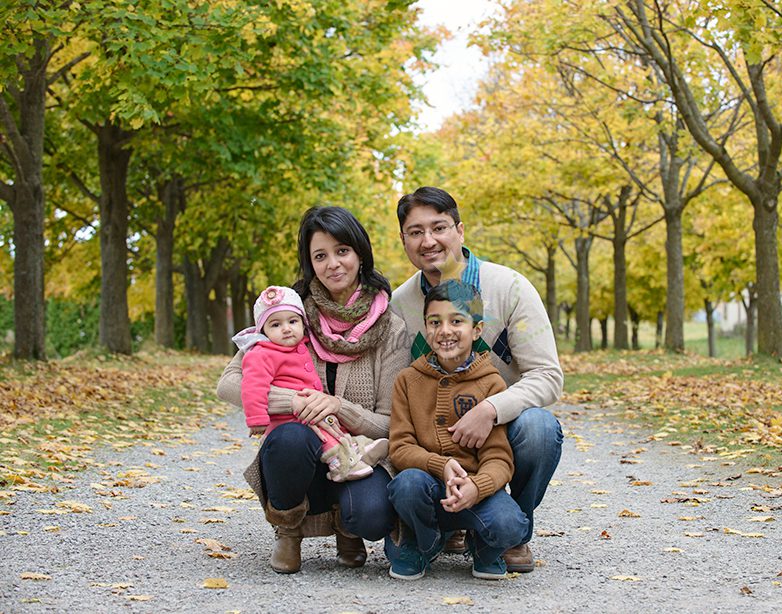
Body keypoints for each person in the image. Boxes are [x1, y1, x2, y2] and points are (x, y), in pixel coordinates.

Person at [216, 206, 410, 574]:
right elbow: (229, 383)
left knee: (371, 515)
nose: (333, 264)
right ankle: (288, 531)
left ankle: (346, 529)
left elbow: (389, 423)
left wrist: (337, 406)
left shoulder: (391, 328)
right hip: (303, 447)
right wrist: (295, 401)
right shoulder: (288, 315)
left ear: (360, 253)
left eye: (342, 251)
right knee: (289, 439)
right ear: (309, 263)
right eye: (320, 255)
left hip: (355, 454)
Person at [389, 186, 564, 573]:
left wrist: (491, 409)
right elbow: (401, 387)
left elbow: (548, 377)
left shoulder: (511, 288)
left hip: (502, 427)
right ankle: (444, 523)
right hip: (435, 443)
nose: (428, 240)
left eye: (439, 227)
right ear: (403, 240)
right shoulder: (401, 305)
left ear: (460, 230)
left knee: (540, 428)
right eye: (415, 232)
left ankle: (510, 532)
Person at [386, 280, 528, 580]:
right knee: (406, 485)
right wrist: (441, 464)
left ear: (476, 330)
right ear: (425, 328)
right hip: (428, 489)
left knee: (513, 524)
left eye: (457, 321)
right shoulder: (408, 381)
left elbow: (499, 459)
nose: (445, 331)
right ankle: (425, 541)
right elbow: (399, 447)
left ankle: (483, 548)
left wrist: (478, 487)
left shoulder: (491, 384)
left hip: (473, 492)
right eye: (435, 322)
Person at [235, 285, 389, 483]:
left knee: (331, 426)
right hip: (286, 421)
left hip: (310, 414)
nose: (286, 328)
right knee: (325, 438)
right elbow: (252, 386)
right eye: (275, 325)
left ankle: (358, 449)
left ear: (303, 322)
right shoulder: (261, 353)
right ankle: (340, 465)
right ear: (262, 330)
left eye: (293, 321)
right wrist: (257, 419)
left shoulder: (305, 344)